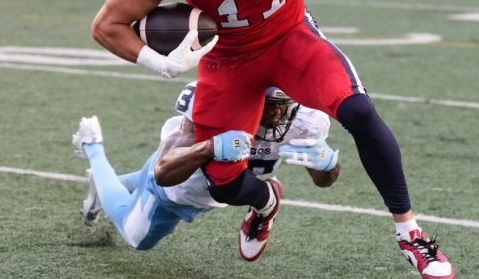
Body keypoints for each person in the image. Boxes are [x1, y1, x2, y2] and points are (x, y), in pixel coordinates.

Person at [90, 0, 479, 279]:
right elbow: (107, 24)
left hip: (290, 38)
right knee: (224, 183)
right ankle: (265, 201)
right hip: (228, 61)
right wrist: (159, 62)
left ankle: (410, 235)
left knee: (360, 112)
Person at [71, 83, 340, 255]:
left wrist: (327, 164)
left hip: (220, 191)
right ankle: (93, 147)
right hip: (177, 190)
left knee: (137, 183)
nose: (274, 117)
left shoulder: (306, 120)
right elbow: (162, 171)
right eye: (269, 107)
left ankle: (101, 183)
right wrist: (210, 147)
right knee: (136, 238)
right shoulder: (216, 102)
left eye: (282, 107)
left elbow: (323, 180)